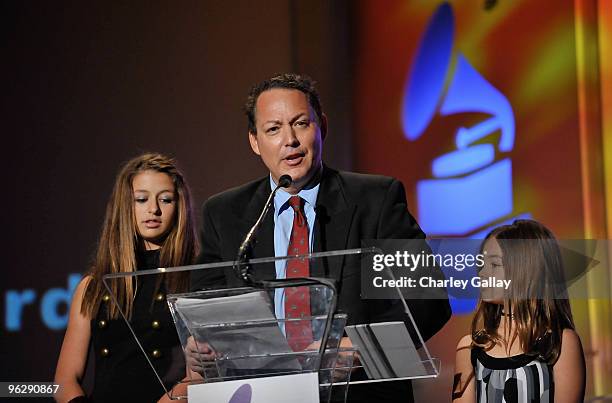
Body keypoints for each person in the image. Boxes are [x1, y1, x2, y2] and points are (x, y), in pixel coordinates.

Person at [190, 73, 451, 403]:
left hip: (357, 393)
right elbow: (206, 305)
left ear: (322, 126)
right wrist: (202, 342)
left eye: (300, 124)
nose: (290, 140)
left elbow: (428, 302)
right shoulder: (226, 214)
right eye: (273, 129)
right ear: (254, 142)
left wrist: (361, 350)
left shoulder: (375, 200)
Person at [54, 153, 198, 403]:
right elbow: (65, 380)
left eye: (165, 199)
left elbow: (197, 376)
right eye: (141, 199)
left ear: (179, 206)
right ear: (124, 205)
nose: (153, 209)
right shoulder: (93, 285)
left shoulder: (193, 278)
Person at [452, 219, 586, 402]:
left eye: (495, 265)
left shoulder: (559, 342)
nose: (481, 273)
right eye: (482, 264)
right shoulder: (469, 348)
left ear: (527, 268)